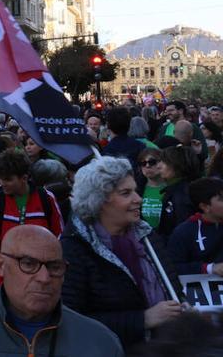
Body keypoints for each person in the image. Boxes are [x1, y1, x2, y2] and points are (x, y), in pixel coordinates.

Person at [0, 225, 123, 357]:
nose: (44, 278)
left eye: (54, 267)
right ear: (0, 265)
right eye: (28, 264)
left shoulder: (101, 343)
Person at [61, 156, 182, 348]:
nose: (138, 199)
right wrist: (142, 320)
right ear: (98, 201)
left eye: (135, 190)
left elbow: (172, 287)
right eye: (126, 193)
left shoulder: (146, 236)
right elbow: (71, 321)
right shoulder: (74, 248)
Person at [0, 150, 63, 291]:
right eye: (0, 179)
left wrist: (53, 277)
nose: (2, 184)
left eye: (8, 179)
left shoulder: (47, 198)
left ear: (24, 178)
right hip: (8, 280)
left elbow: (59, 238)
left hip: (42, 277)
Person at [165, 177, 223, 275]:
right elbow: (172, 268)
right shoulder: (184, 232)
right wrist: (209, 268)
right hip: (201, 288)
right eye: (221, 199)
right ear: (205, 206)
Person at [155, 145, 199, 241]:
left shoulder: (182, 196)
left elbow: (183, 233)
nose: (158, 166)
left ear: (178, 166)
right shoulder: (176, 190)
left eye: (164, 162)